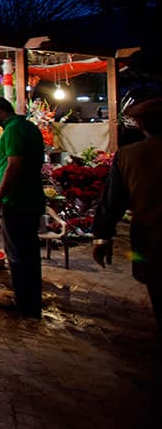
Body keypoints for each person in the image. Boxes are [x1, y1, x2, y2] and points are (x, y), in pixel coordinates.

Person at [92, 96, 162, 331]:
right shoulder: (129, 155)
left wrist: (102, 236)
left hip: (151, 242)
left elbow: (111, 202)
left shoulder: (129, 155)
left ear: (141, 124)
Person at [0, 95, 46, 318]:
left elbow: (13, 167)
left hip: (17, 200)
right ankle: (31, 300)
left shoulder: (13, 131)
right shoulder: (29, 127)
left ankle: (24, 302)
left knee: (18, 253)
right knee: (29, 252)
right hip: (32, 197)